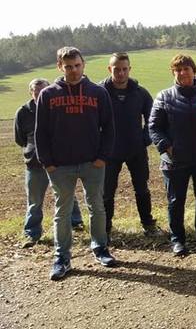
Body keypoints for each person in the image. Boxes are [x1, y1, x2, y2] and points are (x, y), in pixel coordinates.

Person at [36, 47, 116, 280]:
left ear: (84, 65)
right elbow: (41, 132)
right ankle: (62, 257)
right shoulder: (48, 95)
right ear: (60, 67)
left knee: (97, 207)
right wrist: (47, 162)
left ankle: (100, 248)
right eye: (68, 66)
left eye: (77, 65)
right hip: (60, 166)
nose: (73, 70)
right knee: (62, 211)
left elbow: (109, 127)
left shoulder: (98, 93)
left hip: (93, 163)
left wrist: (102, 157)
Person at [149, 54, 196, 256]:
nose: (183, 73)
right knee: (176, 201)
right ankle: (177, 239)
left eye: (186, 69)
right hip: (174, 161)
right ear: (173, 73)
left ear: (194, 71)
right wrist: (167, 147)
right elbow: (154, 127)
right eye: (178, 69)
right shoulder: (164, 96)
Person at [15, 78, 84, 248]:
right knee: (35, 200)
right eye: (36, 92)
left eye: (43, 91)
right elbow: (20, 139)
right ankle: (32, 233)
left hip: (59, 161)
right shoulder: (23, 112)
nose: (40, 95)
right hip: (35, 164)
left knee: (67, 194)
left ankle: (76, 223)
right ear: (31, 93)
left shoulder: (57, 107)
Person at [100, 53, 157, 238]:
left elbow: (153, 119)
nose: (121, 73)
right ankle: (106, 229)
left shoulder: (140, 93)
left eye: (124, 69)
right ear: (110, 69)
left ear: (129, 69)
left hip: (136, 150)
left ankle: (148, 224)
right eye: (117, 69)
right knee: (107, 192)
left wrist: (144, 139)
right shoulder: (100, 92)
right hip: (109, 152)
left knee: (142, 188)